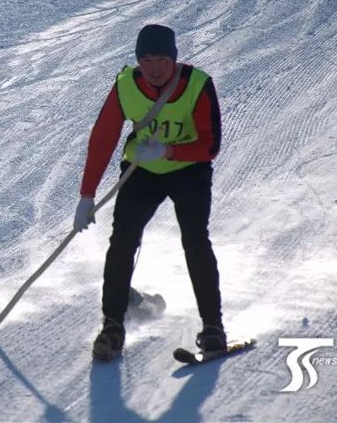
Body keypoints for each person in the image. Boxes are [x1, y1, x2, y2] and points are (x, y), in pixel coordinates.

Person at [73, 24, 225, 361]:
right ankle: (113, 325)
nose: (153, 67)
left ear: (174, 59)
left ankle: (213, 327)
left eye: (160, 59)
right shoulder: (126, 85)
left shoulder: (197, 84)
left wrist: (169, 152)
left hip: (188, 170)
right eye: (145, 60)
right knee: (122, 241)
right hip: (141, 170)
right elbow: (103, 138)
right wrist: (87, 196)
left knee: (195, 240)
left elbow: (210, 144)